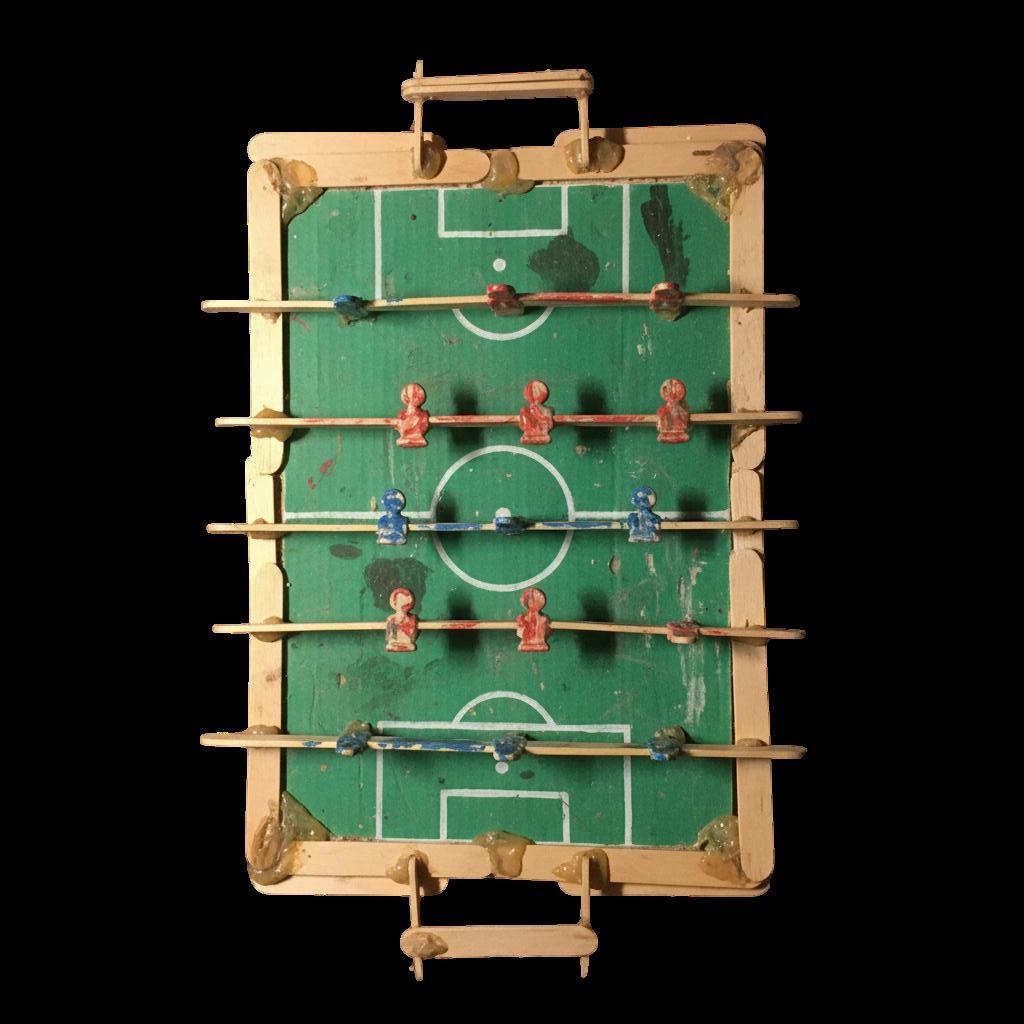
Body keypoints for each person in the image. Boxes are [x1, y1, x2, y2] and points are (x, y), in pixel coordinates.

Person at [518, 379, 554, 445]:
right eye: (532, 392)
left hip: (541, 431)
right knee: (524, 411)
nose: (534, 395)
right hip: (532, 433)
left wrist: (539, 414)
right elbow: (523, 425)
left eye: (536, 392)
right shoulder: (524, 411)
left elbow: (548, 423)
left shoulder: (547, 410)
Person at [516, 587, 551, 652]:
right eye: (530, 602)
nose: (531, 604)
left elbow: (547, 631)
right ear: (527, 603)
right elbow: (520, 632)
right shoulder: (522, 618)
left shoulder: (543, 619)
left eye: (533, 602)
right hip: (526, 644)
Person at [395, 383, 429, 447]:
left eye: (416, 395)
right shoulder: (401, 417)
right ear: (406, 397)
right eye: (414, 395)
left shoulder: (424, 416)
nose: (416, 398)